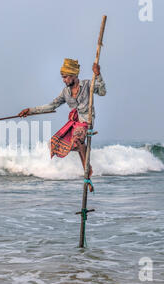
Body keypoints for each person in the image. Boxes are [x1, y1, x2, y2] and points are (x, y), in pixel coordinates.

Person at [18, 58, 106, 191]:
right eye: (62, 77)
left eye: (65, 77)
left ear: (74, 75)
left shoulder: (88, 84)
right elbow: (51, 106)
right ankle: (87, 166)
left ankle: (87, 173)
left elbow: (102, 92)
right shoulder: (65, 92)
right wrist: (30, 111)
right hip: (74, 123)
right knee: (55, 142)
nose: (64, 80)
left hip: (86, 121)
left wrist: (98, 75)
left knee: (77, 139)